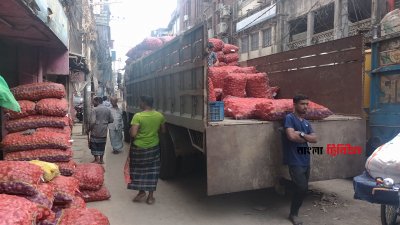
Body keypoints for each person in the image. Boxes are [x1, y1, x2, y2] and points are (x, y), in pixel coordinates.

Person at [283, 94, 318, 225]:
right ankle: (293, 214)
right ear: (295, 105)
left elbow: (315, 139)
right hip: (294, 159)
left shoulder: (307, 123)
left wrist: (302, 134)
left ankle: (285, 186)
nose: (305, 107)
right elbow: (291, 136)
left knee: (303, 188)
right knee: (302, 187)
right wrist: (306, 137)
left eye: (307, 104)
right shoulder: (289, 118)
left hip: (305, 159)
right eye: (302, 104)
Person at [127, 95, 166, 205]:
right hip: (153, 148)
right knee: (152, 171)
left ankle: (141, 192)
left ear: (144, 103)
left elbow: (133, 134)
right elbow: (163, 131)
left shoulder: (138, 116)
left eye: (140, 102)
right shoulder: (159, 115)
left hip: (139, 149)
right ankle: (150, 197)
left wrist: (132, 130)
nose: (139, 104)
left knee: (138, 170)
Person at [88, 96, 114, 164]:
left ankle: (96, 159)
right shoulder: (108, 110)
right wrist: (105, 122)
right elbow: (111, 120)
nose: (93, 103)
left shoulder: (94, 110)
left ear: (97, 102)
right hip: (104, 130)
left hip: (95, 130)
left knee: (94, 144)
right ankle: (101, 160)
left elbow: (92, 121)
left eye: (94, 101)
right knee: (102, 144)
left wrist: (88, 129)